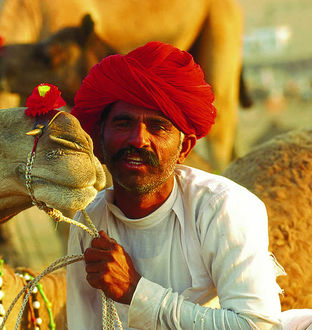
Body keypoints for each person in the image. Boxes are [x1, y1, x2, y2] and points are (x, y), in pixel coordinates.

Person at [66, 41, 284, 329]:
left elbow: (259, 326)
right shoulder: (88, 222)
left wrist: (136, 291)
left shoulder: (222, 208)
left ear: (185, 148)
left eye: (157, 126)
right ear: (99, 140)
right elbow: (84, 323)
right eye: (122, 123)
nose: (138, 139)